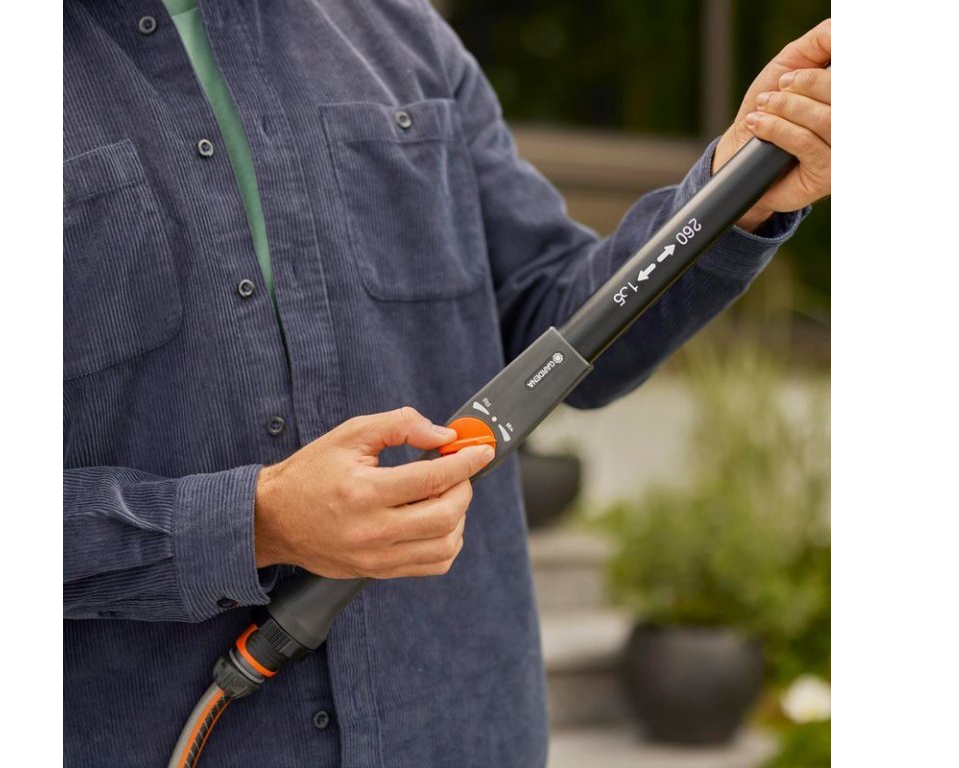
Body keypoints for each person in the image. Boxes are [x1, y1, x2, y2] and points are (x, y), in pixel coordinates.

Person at [63, 1, 830, 765]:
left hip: (461, 731)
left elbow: (558, 319)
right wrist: (254, 523)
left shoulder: (401, 36)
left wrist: (737, 192)